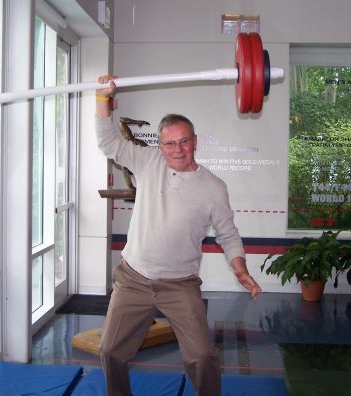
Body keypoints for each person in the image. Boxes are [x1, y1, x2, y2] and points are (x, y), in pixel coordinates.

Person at [95, 75, 262, 396]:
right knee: (110, 352)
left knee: (201, 356)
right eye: (170, 143)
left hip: (180, 285)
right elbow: (108, 143)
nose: (177, 149)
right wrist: (103, 100)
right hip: (133, 280)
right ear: (160, 145)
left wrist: (240, 268)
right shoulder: (147, 162)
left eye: (184, 141)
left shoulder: (213, 187)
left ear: (195, 141)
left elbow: (228, 234)